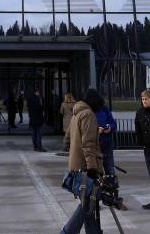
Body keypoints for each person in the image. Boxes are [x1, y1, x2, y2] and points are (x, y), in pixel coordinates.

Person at [60, 88, 106, 234]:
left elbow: (67, 139)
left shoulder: (76, 113)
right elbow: (88, 144)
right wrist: (92, 168)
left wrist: (75, 151)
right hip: (85, 167)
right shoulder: (88, 114)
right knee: (87, 203)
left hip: (75, 166)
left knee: (88, 203)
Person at [95, 99, 128, 211]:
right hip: (95, 145)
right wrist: (97, 130)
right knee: (96, 172)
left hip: (107, 143)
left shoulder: (105, 109)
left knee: (110, 170)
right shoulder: (89, 111)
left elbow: (113, 123)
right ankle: (95, 200)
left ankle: (114, 198)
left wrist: (109, 128)